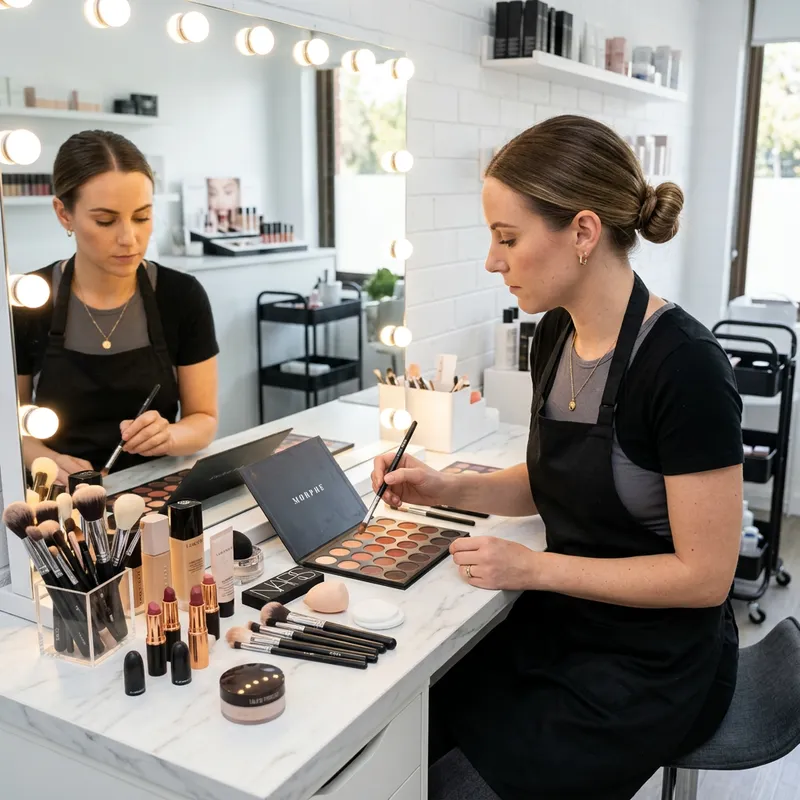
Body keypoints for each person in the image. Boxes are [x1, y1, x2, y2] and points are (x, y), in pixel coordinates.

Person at [371, 115, 743, 800]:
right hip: (566, 623)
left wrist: (534, 568)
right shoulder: (554, 336)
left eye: (507, 238)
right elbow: (557, 481)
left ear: (582, 232)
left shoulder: (684, 366)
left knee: (451, 787)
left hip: (655, 660)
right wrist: (444, 487)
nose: (493, 260)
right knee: (410, 734)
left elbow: (705, 578)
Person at [14, 130, 219, 484]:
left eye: (142, 217)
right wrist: (46, 460)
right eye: (105, 221)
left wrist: (170, 436)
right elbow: (9, 425)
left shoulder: (182, 296)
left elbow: (204, 419)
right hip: (58, 496)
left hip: (157, 491)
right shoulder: (28, 298)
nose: (129, 238)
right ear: (64, 214)